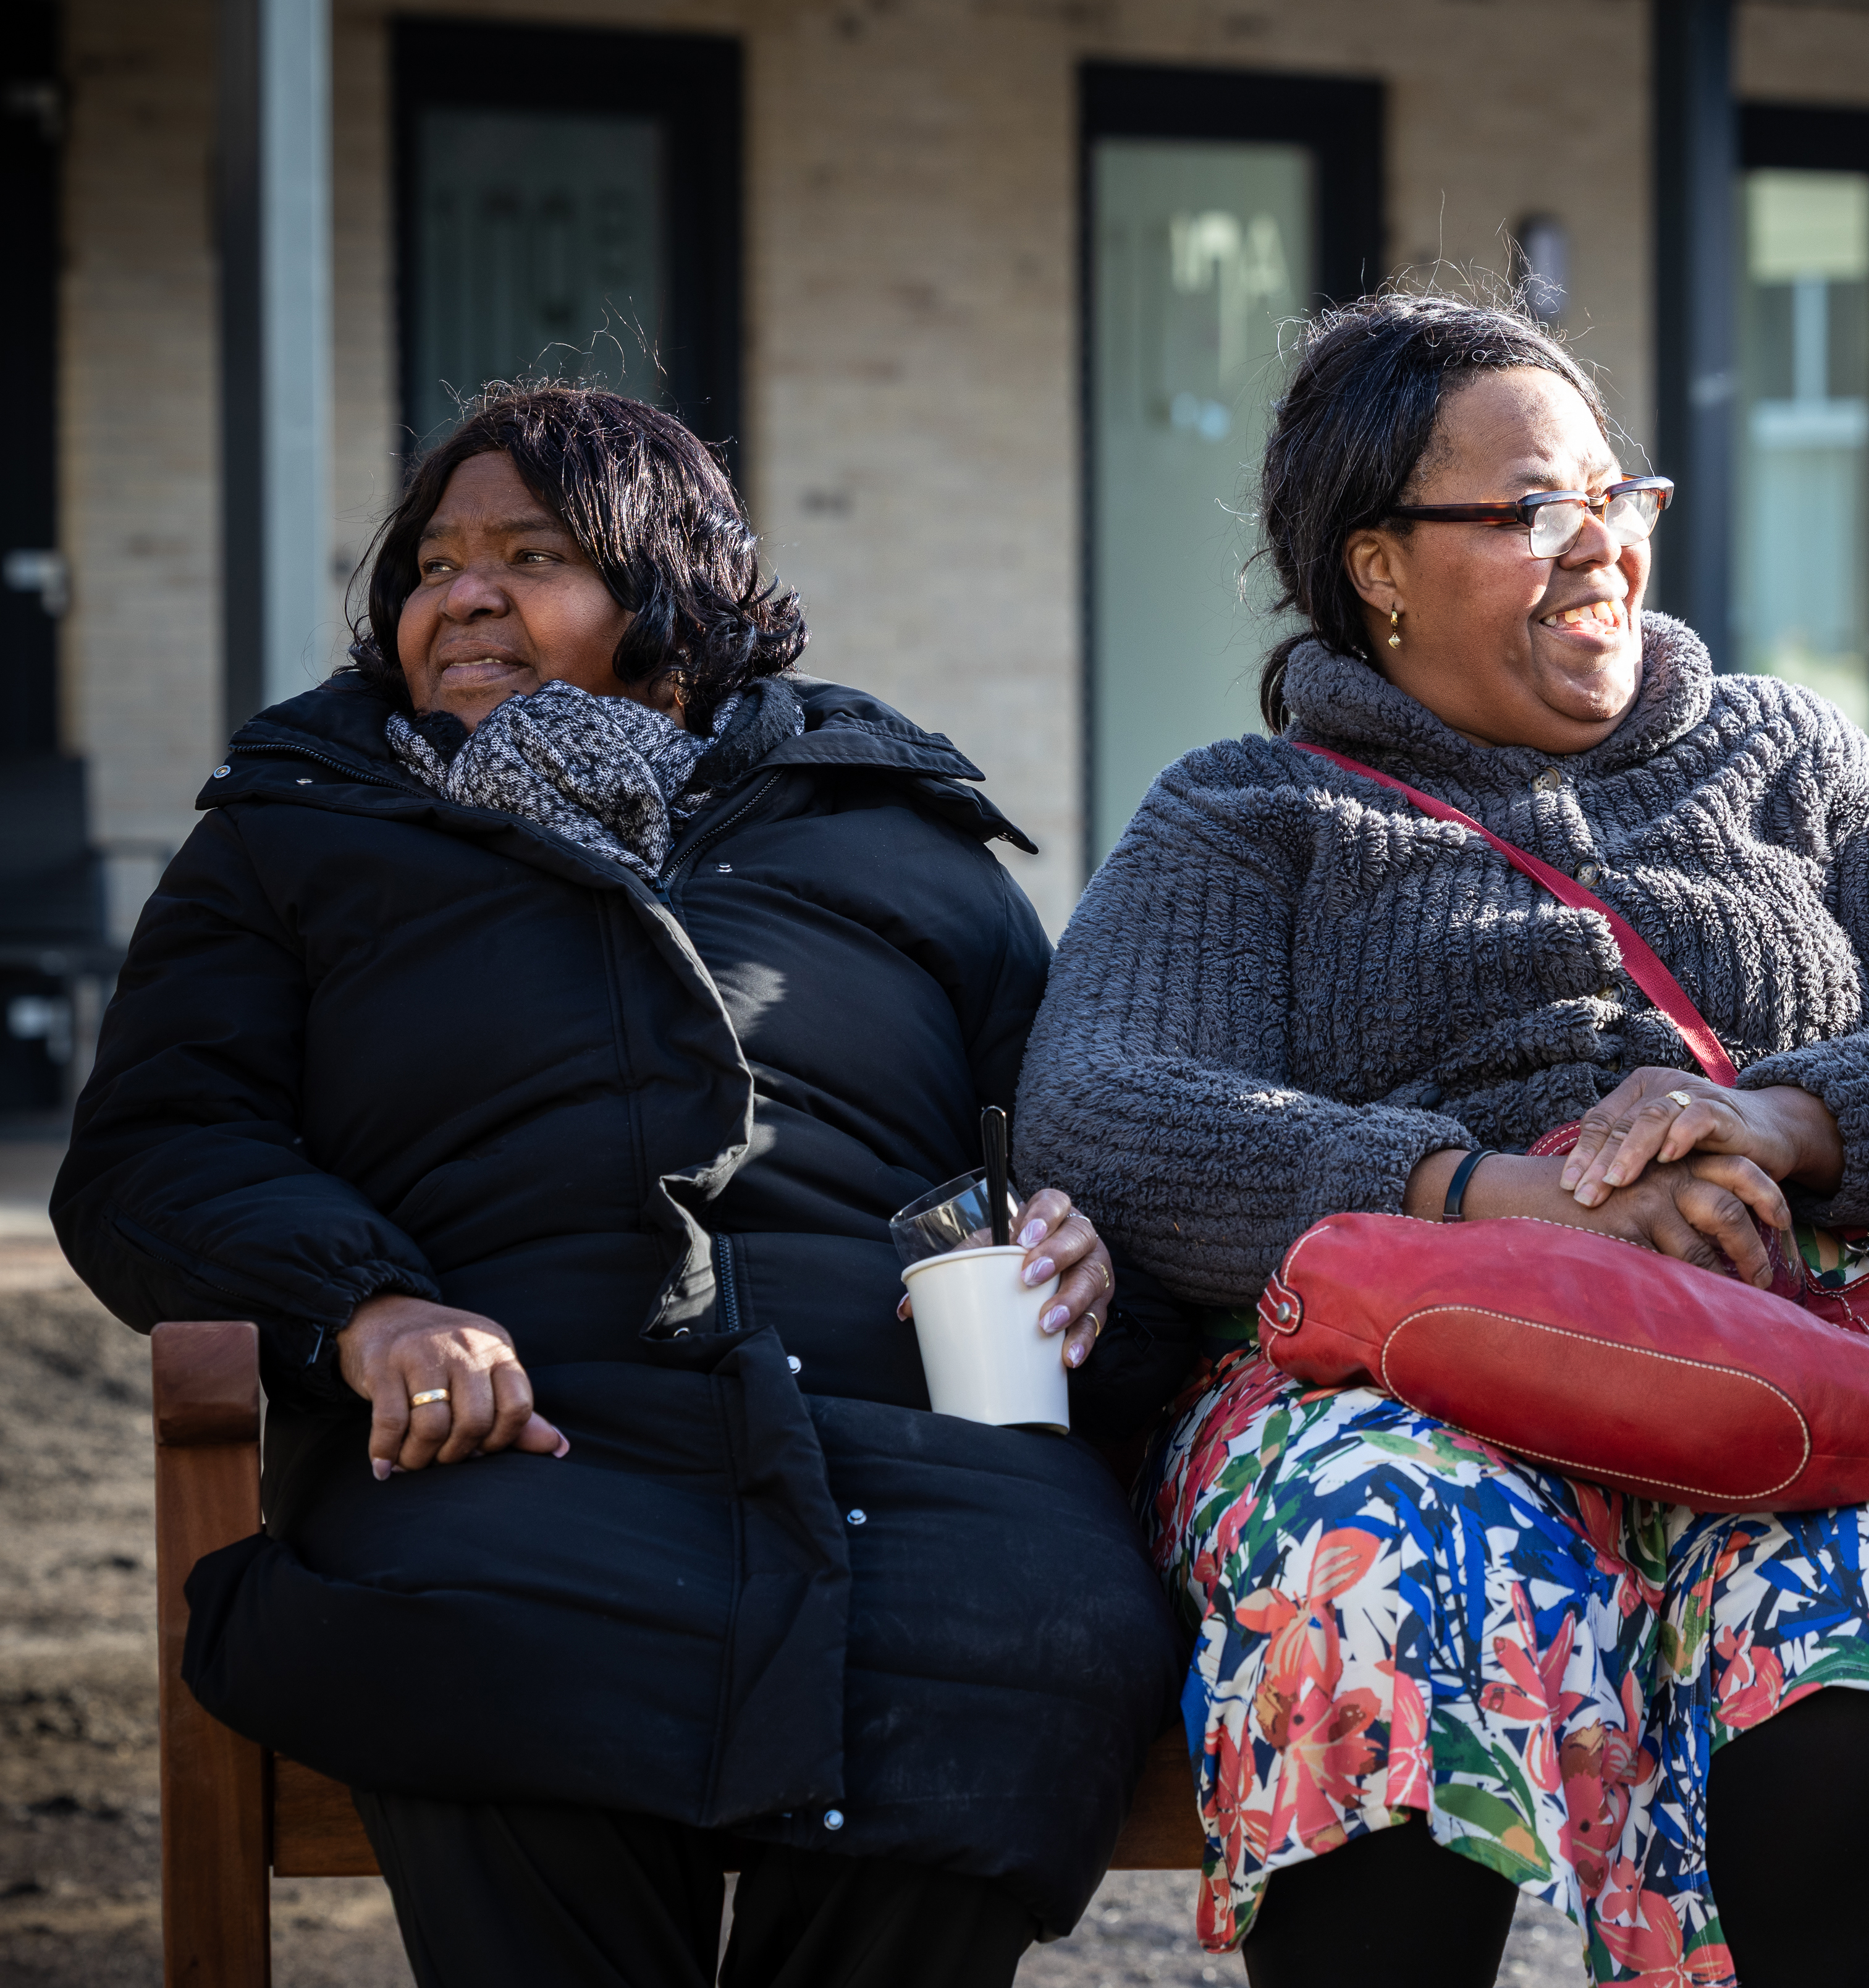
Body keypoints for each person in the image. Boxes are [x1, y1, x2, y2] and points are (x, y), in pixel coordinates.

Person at [1015, 290, 1869, 1988]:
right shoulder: (1249, 812)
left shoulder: (1790, 753)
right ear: (1377, 564)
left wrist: (1778, 1115)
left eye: (1619, 497)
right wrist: (1491, 1196)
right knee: (1390, 1561)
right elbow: (1113, 1107)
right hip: (1403, 1385)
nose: (1602, 547)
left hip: (1790, 1365)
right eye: (1535, 511)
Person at [53, 385, 1186, 1988]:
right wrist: (363, 1310)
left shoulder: (904, 837)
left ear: (674, 597)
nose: (459, 594)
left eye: (528, 554)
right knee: (496, 1627)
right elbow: (152, 1149)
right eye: (433, 562)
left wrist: (1083, 1251)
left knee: (1030, 1638)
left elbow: (1063, 1144)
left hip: (914, 1445)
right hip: (506, 1432)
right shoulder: (300, 831)